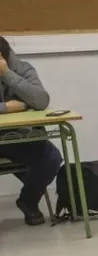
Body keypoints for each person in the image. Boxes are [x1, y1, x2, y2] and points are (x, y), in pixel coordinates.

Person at [0, 36, 61, 226]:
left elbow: (41, 100)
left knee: (51, 156)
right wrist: (6, 108)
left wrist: (7, 74)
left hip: (18, 137)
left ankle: (28, 201)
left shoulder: (22, 69)